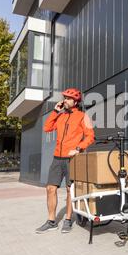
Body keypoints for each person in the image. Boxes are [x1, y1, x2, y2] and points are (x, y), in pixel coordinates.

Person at [35, 88, 95, 234]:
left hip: (72, 158)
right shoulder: (60, 116)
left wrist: (78, 148)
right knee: (50, 188)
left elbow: (90, 136)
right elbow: (47, 127)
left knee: (70, 190)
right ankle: (51, 221)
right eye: (64, 98)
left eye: (68, 98)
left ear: (75, 102)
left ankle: (68, 220)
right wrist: (55, 112)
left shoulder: (83, 116)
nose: (64, 100)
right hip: (57, 157)